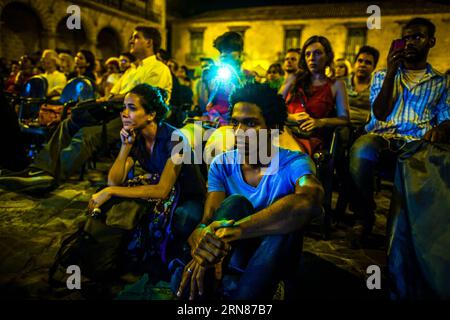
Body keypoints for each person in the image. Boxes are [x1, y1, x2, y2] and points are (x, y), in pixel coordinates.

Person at [173, 83, 324, 300]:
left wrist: (237, 230)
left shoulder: (294, 163)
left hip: (274, 254)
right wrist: (201, 236)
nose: (239, 132)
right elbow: (210, 218)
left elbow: (310, 201)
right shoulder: (222, 163)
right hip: (233, 254)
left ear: (273, 128)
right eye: (235, 123)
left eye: (250, 124)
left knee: (284, 223)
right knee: (235, 204)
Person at [0, 26, 172, 191]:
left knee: (87, 134)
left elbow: (145, 100)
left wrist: (116, 97)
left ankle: (50, 178)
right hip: (112, 111)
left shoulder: (159, 68)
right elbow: (112, 93)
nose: (131, 41)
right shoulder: (132, 70)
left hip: (135, 119)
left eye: (136, 37)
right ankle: (38, 169)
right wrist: (112, 97)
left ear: (149, 42)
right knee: (68, 124)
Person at [348, 17, 450, 247]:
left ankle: (406, 228)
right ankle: (364, 216)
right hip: (382, 136)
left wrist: (442, 128)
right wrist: (392, 73)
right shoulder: (382, 75)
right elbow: (381, 114)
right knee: (361, 150)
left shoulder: (441, 82)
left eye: (417, 37)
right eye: (406, 38)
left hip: (416, 140)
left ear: (431, 41)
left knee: (432, 161)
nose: (410, 43)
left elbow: (446, 118)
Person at [88, 83, 204, 262]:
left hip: (188, 197)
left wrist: (109, 191)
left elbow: (161, 190)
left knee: (182, 219)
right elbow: (114, 181)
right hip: (167, 195)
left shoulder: (175, 139)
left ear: (151, 115)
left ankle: (176, 260)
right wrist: (125, 147)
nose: (124, 113)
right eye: (124, 108)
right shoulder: (136, 137)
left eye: (132, 108)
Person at [284, 36, 349, 156]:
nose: (311, 58)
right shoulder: (293, 79)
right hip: (284, 130)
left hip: (308, 137)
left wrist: (320, 122)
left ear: (328, 56)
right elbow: (273, 105)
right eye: (307, 54)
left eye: (317, 53)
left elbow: (344, 119)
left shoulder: (336, 84)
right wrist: (291, 117)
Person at [203, 31, 254, 125]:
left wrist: (238, 82)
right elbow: (207, 103)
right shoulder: (216, 75)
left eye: (229, 50)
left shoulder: (249, 76)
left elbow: (249, 105)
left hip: (235, 122)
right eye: (221, 51)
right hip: (213, 118)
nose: (223, 54)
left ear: (240, 53)